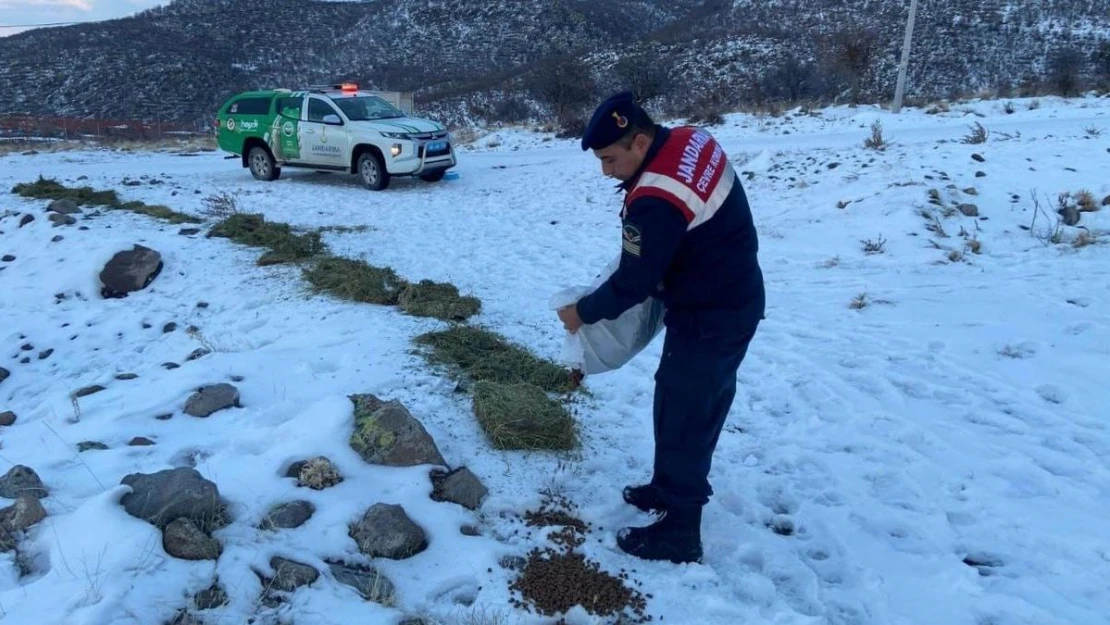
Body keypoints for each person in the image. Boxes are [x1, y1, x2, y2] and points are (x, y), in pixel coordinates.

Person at [557, 92, 765, 564]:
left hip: (713, 312)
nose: (605, 171)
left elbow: (634, 281)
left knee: (688, 413)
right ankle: (665, 487)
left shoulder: (656, 199)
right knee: (678, 399)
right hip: (727, 294)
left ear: (640, 141)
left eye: (610, 159)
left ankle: (681, 533)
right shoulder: (691, 139)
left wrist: (581, 313)